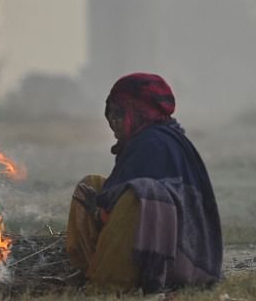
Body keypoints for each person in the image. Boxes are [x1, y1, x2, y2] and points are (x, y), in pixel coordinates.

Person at [66, 72, 222, 293]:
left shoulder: (153, 143)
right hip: (158, 245)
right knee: (90, 184)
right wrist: (100, 209)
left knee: (140, 195)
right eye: (109, 113)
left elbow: (136, 209)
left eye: (119, 113)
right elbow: (112, 201)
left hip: (175, 257)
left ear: (139, 112)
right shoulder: (143, 139)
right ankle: (91, 269)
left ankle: (109, 284)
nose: (112, 121)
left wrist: (99, 213)